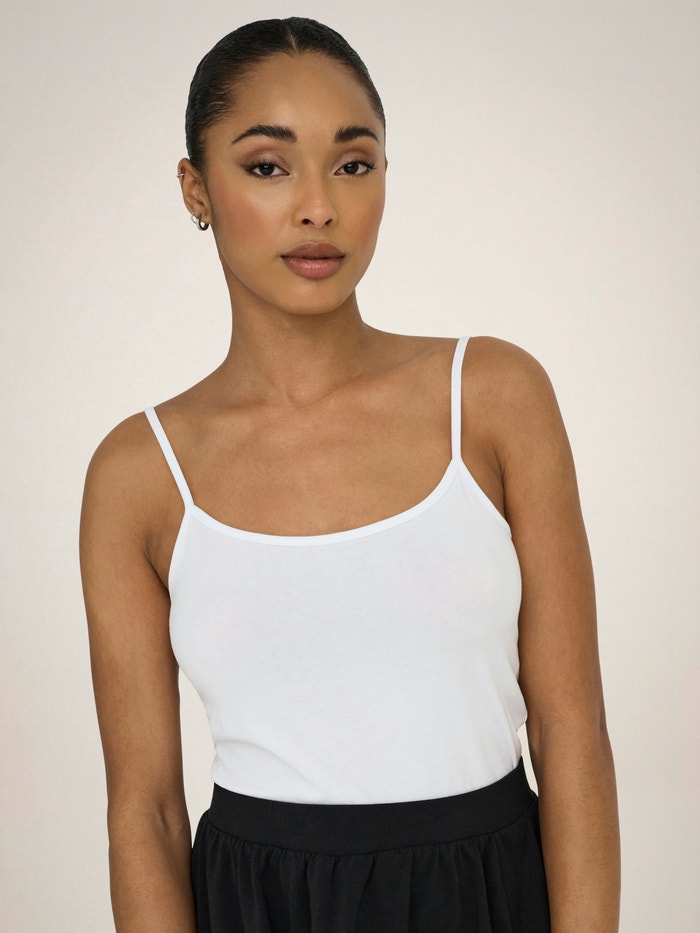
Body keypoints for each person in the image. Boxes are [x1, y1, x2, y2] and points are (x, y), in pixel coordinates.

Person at [80, 16, 620, 933]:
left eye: (353, 163)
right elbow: (148, 810)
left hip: (485, 894)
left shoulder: (493, 396)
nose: (318, 207)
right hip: (260, 905)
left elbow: (572, 732)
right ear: (195, 187)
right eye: (267, 166)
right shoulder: (140, 474)